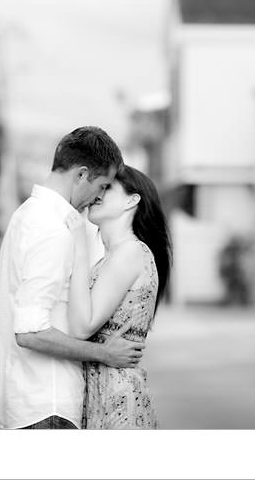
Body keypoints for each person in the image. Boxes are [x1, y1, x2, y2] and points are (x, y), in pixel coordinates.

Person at [0, 126, 145, 430]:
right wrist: (105, 354)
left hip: (29, 403)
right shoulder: (51, 229)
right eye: (102, 185)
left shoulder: (26, 215)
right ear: (81, 175)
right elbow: (30, 332)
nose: (100, 195)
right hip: (48, 407)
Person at [68, 164, 172, 429]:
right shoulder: (113, 257)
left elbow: (82, 326)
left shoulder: (130, 252)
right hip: (104, 396)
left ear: (131, 200)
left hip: (118, 402)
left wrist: (79, 246)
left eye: (107, 187)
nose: (98, 193)